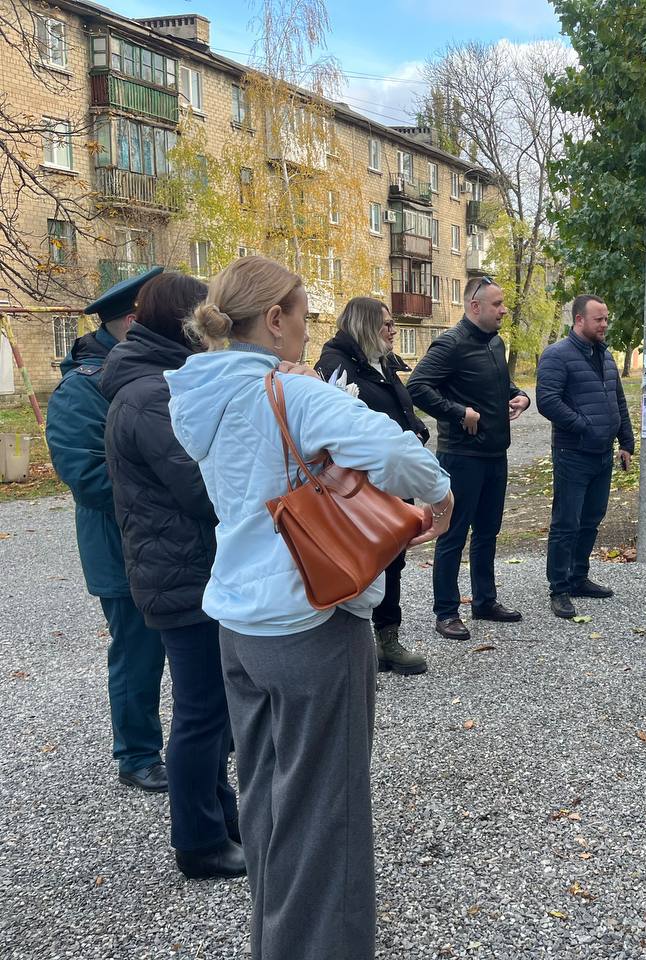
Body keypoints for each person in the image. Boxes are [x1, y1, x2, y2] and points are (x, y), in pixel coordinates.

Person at [166, 256, 454, 960]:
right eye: (300, 315)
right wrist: (439, 497)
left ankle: (276, 943)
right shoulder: (291, 394)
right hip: (311, 622)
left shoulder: (196, 395)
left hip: (238, 623)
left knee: (266, 804)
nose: (306, 329)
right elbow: (401, 454)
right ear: (274, 319)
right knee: (328, 819)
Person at [100, 271, 242, 880]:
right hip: (182, 573)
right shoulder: (151, 394)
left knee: (210, 710)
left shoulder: (157, 382)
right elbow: (200, 487)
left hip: (184, 568)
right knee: (201, 713)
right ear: (188, 323)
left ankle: (220, 817)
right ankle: (200, 843)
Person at [45, 267, 168, 793]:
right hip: (121, 548)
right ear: (133, 321)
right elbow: (88, 478)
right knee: (138, 652)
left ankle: (205, 736)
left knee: (188, 646)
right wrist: (173, 492)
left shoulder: (144, 373)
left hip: (167, 543)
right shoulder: (81, 390)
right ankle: (137, 753)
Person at [407, 276, 530, 642]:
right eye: (497, 304)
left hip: (495, 453)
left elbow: (500, 385)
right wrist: (459, 412)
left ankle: (484, 601)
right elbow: (418, 387)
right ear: (474, 307)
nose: (503, 310)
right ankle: (446, 612)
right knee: (452, 534)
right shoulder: (451, 343)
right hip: (461, 456)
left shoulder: (495, 342)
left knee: (488, 532)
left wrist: (520, 395)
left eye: (503, 303)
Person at [315, 298, 432, 676]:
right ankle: (356, 647)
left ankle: (388, 639)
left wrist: (416, 428)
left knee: (393, 557)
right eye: (385, 324)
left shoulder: (383, 362)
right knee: (360, 560)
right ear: (364, 326)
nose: (393, 330)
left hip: (392, 477)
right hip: (359, 484)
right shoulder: (336, 363)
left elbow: (400, 408)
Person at [535, 294, 635, 619]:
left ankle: (578, 577)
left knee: (592, 519)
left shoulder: (604, 356)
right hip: (573, 453)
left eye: (606, 318)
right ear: (579, 320)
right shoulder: (557, 355)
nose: (605, 324)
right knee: (567, 522)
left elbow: (618, 399)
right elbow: (548, 401)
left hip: (603, 455)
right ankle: (559, 588)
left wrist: (626, 441)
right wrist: (584, 426)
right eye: (599, 319)